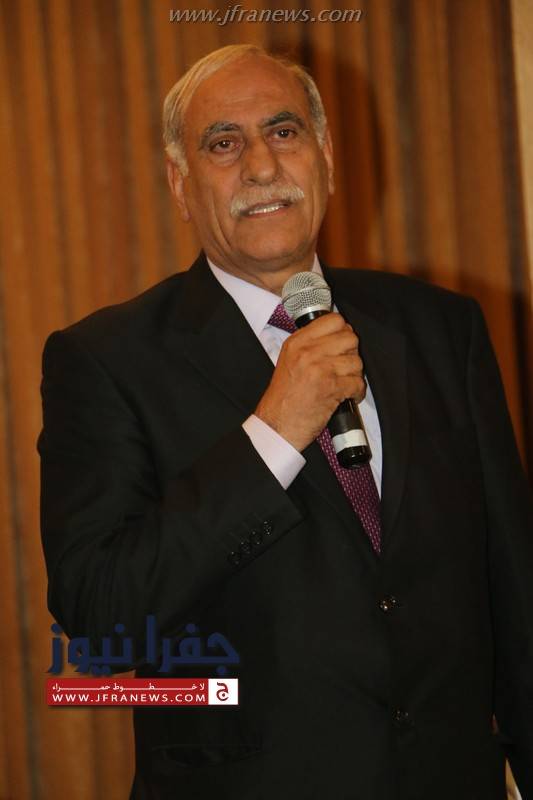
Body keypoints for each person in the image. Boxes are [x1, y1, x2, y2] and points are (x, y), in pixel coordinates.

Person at [38, 44, 532, 799]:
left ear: (325, 158)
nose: (262, 166)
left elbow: (514, 588)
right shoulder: (107, 360)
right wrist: (272, 433)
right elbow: (102, 621)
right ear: (180, 184)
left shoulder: (442, 328)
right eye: (223, 143)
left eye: (283, 131)